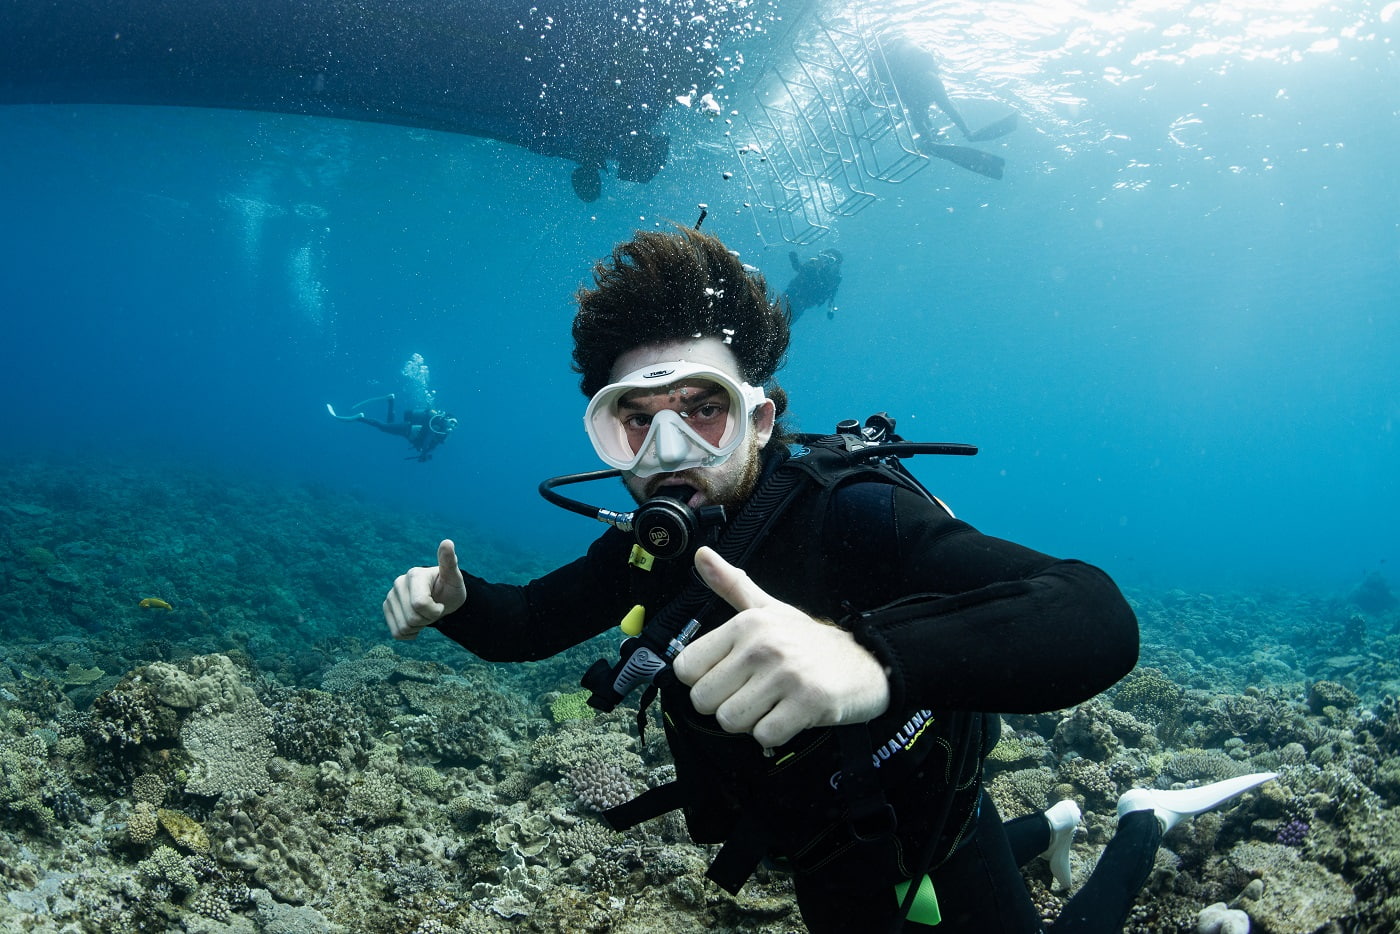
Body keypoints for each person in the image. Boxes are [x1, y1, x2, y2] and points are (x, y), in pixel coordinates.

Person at [382, 225, 1274, 932]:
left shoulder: (854, 514)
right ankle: (1054, 826)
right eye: (636, 422)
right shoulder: (650, 550)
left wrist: (866, 658)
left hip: (931, 827)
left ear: (762, 420)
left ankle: (1141, 820)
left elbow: (1095, 615)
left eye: (703, 411)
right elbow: (529, 623)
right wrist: (458, 603)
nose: (669, 453)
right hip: (814, 851)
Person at [877, 35, 1019, 180]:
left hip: (914, 85)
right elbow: (949, 109)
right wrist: (965, 130)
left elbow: (913, 110)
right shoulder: (921, 64)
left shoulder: (897, 57)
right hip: (929, 79)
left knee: (920, 115)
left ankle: (929, 141)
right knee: (942, 108)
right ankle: (966, 134)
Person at [327, 393, 457, 462]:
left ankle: (391, 400)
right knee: (383, 427)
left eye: (455, 424)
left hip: (408, 431)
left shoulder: (443, 433)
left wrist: (424, 453)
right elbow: (427, 439)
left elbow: (429, 442)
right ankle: (360, 418)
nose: (453, 426)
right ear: (446, 419)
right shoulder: (436, 426)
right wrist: (423, 454)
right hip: (407, 429)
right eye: (452, 422)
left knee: (389, 423)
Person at [781, 248, 843, 322]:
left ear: (836, 266)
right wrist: (794, 260)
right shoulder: (812, 265)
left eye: (831, 260)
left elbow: (828, 295)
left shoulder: (834, 278)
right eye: (825, 258)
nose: (826, 262)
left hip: (802, 303)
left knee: (783, 321)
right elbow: (799, 268)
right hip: (791, 294)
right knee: (779, 316)